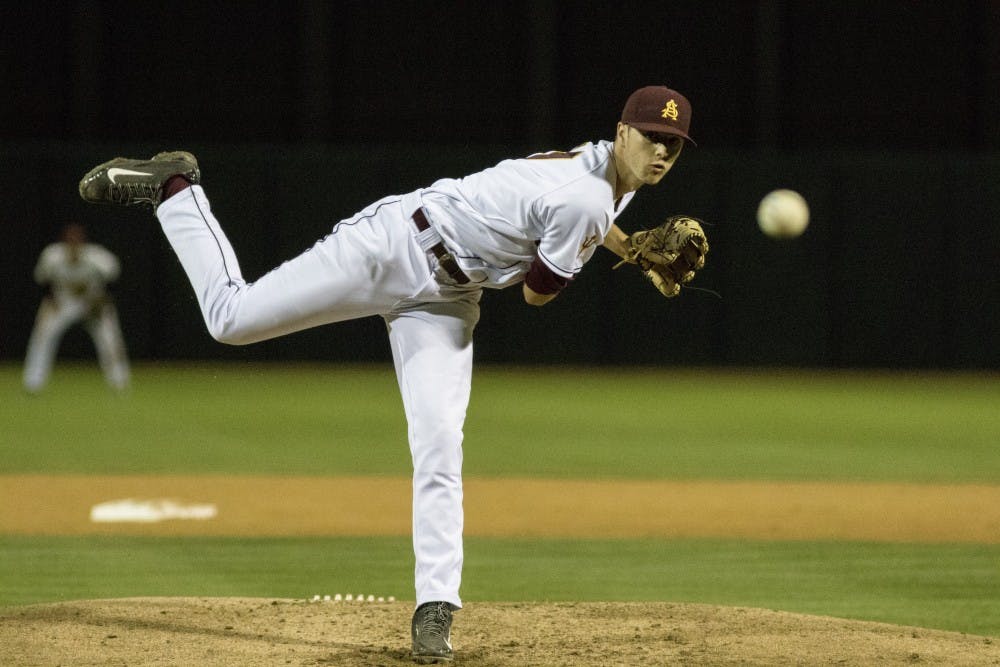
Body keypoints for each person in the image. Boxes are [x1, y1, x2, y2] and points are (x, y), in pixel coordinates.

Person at [78, 84, 698, 664]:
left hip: (448, 299)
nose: (660, 151)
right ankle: (177, 189)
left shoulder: (606, 175)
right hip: (393, 247)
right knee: (230, 318)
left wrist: (628, 245)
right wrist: (617, 250)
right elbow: (539, 293)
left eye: (672, 144)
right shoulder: (590, 194)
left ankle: (436, 607)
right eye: (649, 137)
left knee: (439, 442)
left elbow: (579, 216)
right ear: (621, 132)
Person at [23, 222, 130, 393]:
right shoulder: (52, 256)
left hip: (92, 303)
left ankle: (119, 382)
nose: (73, 244)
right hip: (63, 302)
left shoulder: (97, 257)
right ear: (64, 242)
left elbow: (114, 280)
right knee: (43, 335)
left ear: (83, 243)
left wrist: (102, 303)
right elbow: (42, 282)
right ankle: (33, 382)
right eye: (70, 241)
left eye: (77, 241)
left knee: (110, 339)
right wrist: (50, 303)